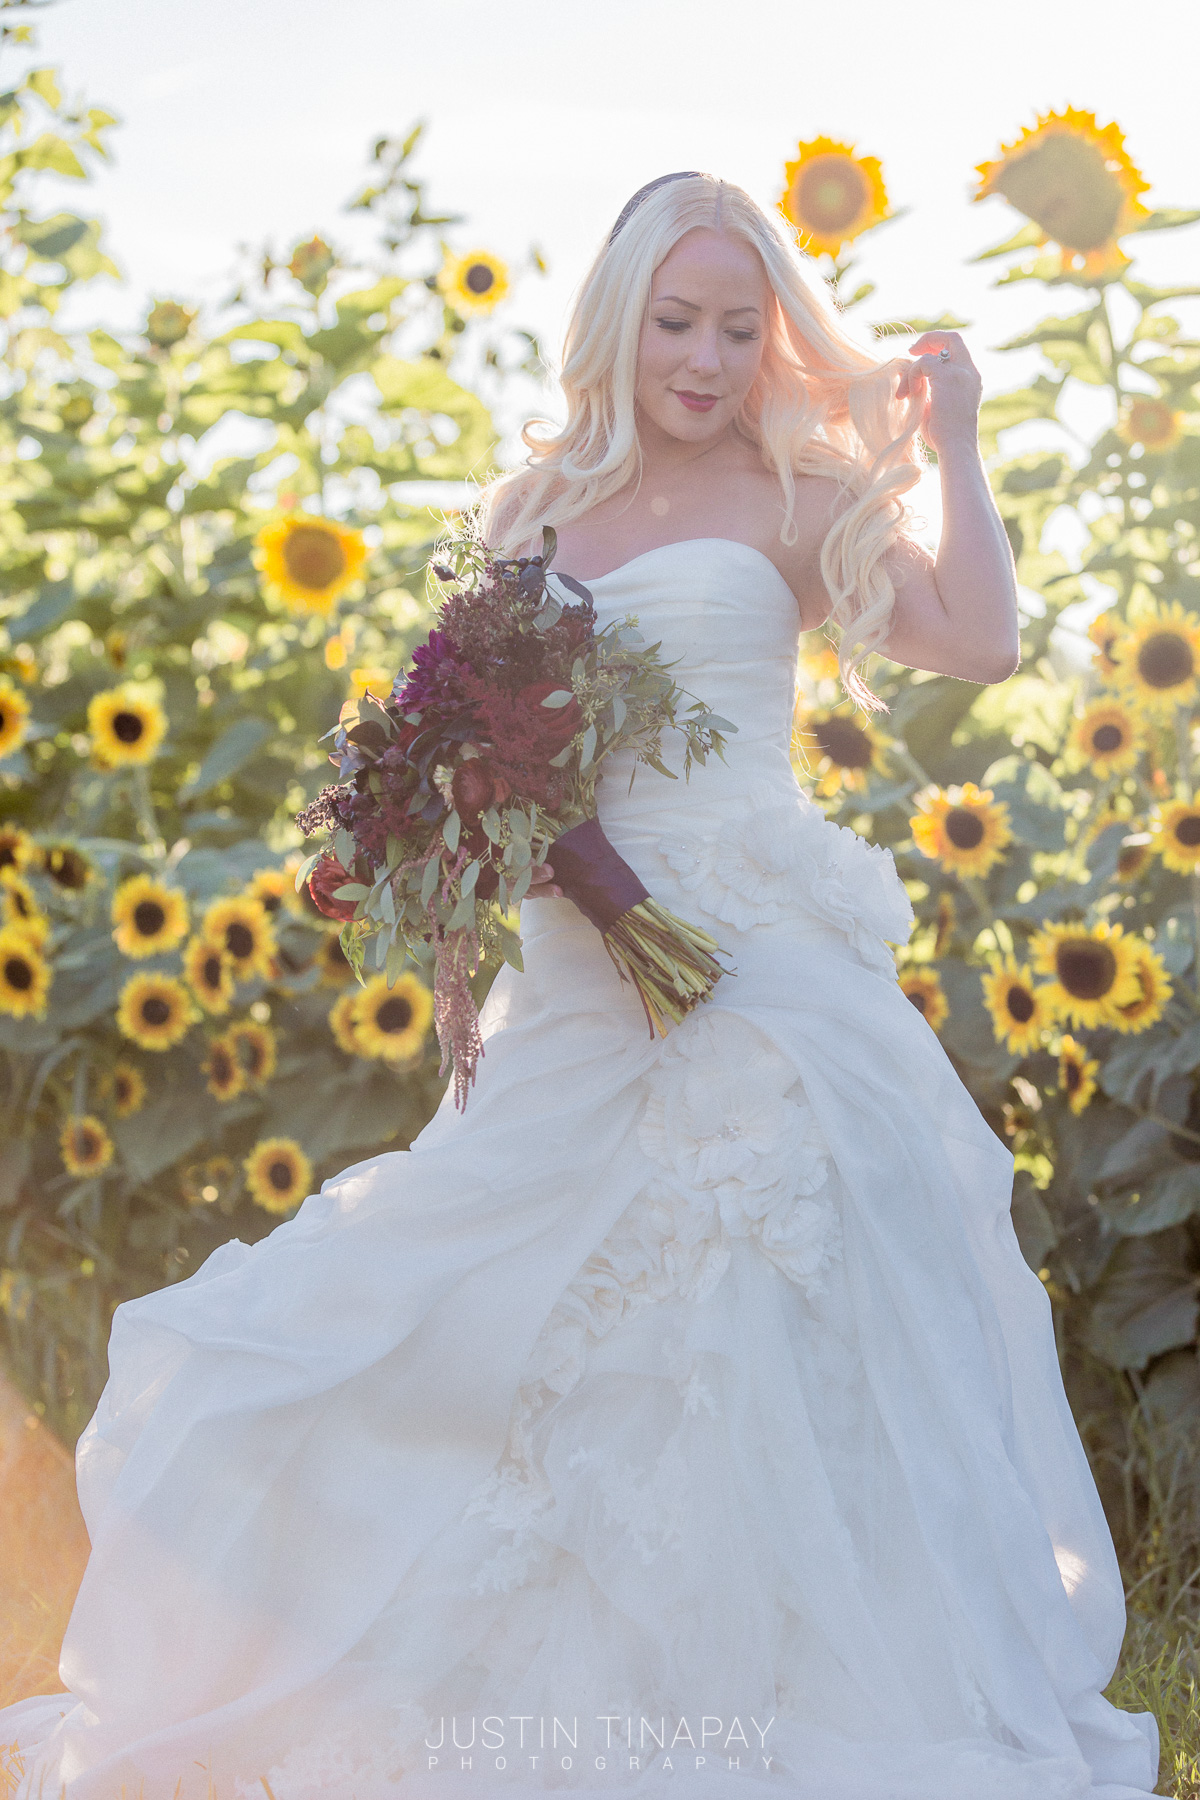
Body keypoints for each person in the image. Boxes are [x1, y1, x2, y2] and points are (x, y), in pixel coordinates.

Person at [0, 173, 1160, 1800]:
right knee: (494, 1302)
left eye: (739, 328)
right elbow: (486, 762)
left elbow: (976, 640)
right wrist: (565, 878)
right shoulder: (531, 512)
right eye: (676, 322)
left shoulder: (789, 491)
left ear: (774, 341)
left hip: (763, 960)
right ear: (617, 325)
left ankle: (785, 1680)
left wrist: (955, 434)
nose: (704, 357)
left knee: (774, 1286)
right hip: (584, 966)